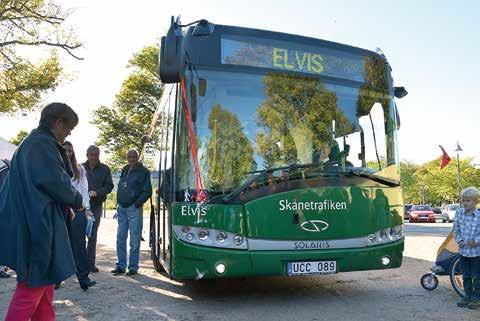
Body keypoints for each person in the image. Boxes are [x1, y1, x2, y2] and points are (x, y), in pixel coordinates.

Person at [0, 102, 84, 321]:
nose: (68, 134)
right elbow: (57, 183)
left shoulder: (31, 143)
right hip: (37, 228)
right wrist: (78, 201)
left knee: (45, 288)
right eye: (68, 128)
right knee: (31, 288)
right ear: (58, 122)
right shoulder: (41, 145)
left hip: (34, 224)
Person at [111, 149, 152, 276]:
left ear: (138, 157)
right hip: (121, 209)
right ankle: (121, 266)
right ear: (127, 157)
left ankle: (133, 267)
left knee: (134, 240)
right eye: (129, 156)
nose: (131, 159)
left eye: (134, 156)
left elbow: (147, 191)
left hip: (134, 209)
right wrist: (118, 202)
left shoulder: (144, 171)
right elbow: (121, 186)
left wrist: (137, 204)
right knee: (120, 238)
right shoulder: (125, 168)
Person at [63, 141, 97, 290]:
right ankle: (56, 280)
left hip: (77, 212)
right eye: (65, 151)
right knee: (60, 245)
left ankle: (83, 278)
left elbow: (84, 190)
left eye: (70, 151)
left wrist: (87, 209)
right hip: (60, 211)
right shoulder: (55, 167)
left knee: (79, 246)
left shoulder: (79, 169)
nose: (68, 153)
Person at [82, 145, 114, 273]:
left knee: (92, 235)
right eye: (92, 154)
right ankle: (80, 264)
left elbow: (109, 186)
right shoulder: (80, 168)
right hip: (81, 206)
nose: (94, 157)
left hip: (96, 206)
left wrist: (97, 192)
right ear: (87, 155)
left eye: (96, 154)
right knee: (79, 236)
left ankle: (90, 264)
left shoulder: (105, 169)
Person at [454, 186, 480, 309]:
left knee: (477, 276)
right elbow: (456, 229)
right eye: (463, 200)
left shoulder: (479, 215)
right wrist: (459, 240)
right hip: (463, 251)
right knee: (466, 275)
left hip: (476, 252)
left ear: (475, 201)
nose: (465, 203)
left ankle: (477, 298)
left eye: (468, 200)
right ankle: (467, 296)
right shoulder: (459, 212)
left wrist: (476, 241)